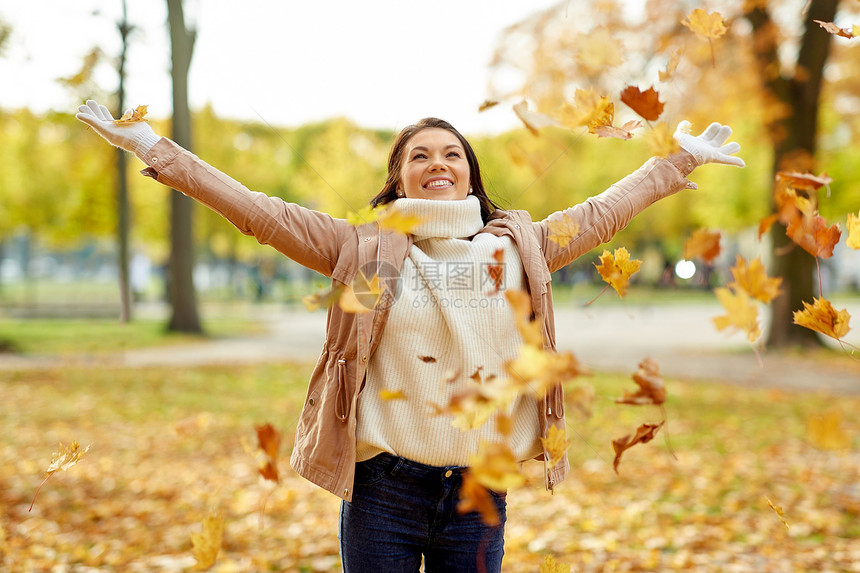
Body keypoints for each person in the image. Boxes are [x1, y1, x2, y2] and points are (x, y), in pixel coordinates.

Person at [76, 100, 744, 572]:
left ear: (470, 172)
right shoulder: (362, 246)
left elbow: (604, 212)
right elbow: (259, 212)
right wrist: (153, 149)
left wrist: (681, 158)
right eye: (419, 154)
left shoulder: (521, 245)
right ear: (399, 175)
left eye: (452, 152)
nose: (437, 162)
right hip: (383, 489)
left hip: (479, 490)